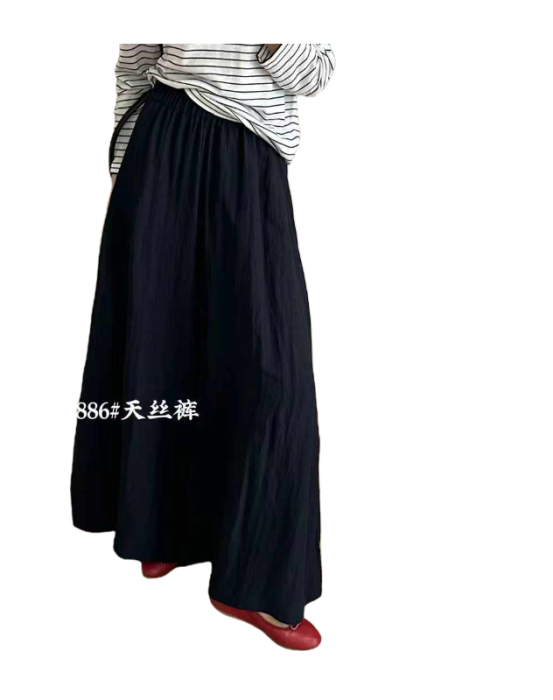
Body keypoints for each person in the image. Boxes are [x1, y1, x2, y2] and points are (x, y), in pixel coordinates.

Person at [71, 43, 335, 650]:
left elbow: (314, 74)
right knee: (158, 343)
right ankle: (157, 526)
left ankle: (256, 583)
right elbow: (137, 62)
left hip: (249, 156)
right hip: (162, 145)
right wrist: (126, 170)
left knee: (272, 371)